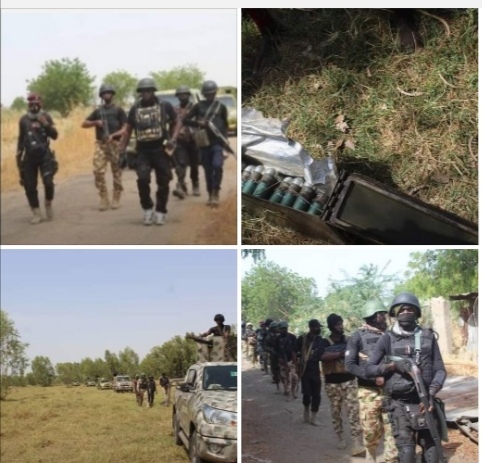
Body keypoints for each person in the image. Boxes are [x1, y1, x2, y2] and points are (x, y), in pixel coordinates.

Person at [366, 292, 447, 463]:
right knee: (407, 453)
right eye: (401, 310)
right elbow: (369, 369)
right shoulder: (387, 338)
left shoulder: (428, 336)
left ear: (417, 313)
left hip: (426, 402)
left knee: (432, 453)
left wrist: (431, 393)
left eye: (410, 309)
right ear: (395, 314)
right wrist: (392, 366)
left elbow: (440, 370)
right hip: (399, 403)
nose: (405, 313)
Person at [345, 301, 398, 463]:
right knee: (370, 431)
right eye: (381, 314)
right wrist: (373, 377)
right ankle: (371, 455)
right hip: (368, 392)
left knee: (394, 431)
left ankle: (392, 459)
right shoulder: (357, 337)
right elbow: (350, 365)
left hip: (391, 392)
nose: (385, 317)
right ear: (373, 316)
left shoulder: (392, 335)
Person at [119, 77, 177, 226]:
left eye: (148, 90)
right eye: (143, 91)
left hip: (161, 151)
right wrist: (121, 151)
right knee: (142, 180)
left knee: (163, 182)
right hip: (143, 151)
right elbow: (128, 130)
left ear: (153, 91)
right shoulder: (135, 109)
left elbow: (176, 122)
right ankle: (147, 209)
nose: (146, 93)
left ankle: (160, 211)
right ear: (139, 93)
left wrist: (173, 138)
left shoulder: (165, 106)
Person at [174, 80, 229, 206]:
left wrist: (225, 141)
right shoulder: (198, 106)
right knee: (208, 170)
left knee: (217, 165)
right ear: (204, 94)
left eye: (212, 93)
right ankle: (210, 194)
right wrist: (199, 123)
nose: (210, 95)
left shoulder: (221, 107)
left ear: (215, 93)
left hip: (217, 143)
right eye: (208, 93)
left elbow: (225, 125)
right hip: (204, 143)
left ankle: (216, 191)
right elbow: (185, 120)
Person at [321, 313, 364, 455]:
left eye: (341, 323)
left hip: (349, 380)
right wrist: (341, 354)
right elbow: (321, 356)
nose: (341, 326)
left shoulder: (349, 340)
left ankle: (357, 442)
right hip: (332, 383)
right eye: (338, 324)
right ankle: (340, 437)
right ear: (332, 326)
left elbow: (356, 355)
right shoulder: (324, 342)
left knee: (353, 411)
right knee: (336, 411)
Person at [81, 83, 127, 210]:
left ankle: (116, 197)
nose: (107, 94)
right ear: (101, 95)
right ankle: (104, 197)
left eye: (109, 92)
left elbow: (125, 128)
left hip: (115, 144)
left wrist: (113, 135)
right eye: (104, 93)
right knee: (98, 172)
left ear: (112, 94)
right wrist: (95, 122)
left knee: (116, 172)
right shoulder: (98, 111)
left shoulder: (118, 110)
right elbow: (83, 124)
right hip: (101, 145)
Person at [16, 92, 59, 224]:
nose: (34, 106)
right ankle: (36, 212)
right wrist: (18, 155)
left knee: (48, 182)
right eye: (31, 103)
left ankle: (48, 204)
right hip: (29, 157)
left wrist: (45, 123)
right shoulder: (23, 119)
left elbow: (55, 135)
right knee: (29, 186)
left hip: (44, 155)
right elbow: (21, 138)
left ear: (40, 103)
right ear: (28, 104)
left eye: (36, 103)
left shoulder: (46, 116)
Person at [171, 85, 200, 199]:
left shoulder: (195, 108)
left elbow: (200, 122)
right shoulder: (175, 109)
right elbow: (172, 124)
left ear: (189, 95)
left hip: (194, 140)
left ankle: (195, 184)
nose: (182, 96)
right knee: (181, 163)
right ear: (177, 96)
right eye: (180, 94)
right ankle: (180, 185)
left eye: (185, 94)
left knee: (194, 165)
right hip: (180, 140)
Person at [295, 319, 325, 425]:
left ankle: (314, 417)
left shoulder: (320, 340)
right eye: (317, 327)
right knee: (307, 393)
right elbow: (294, 351)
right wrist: (297, 365)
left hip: (316, 370)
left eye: (319, 327)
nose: (319, 329)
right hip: (305, 371)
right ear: (311, 327)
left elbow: (323, 354)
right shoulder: (302, 339)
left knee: (316, 394)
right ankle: (306, 411)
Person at [276, 320, 298, 401]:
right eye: (282, 328)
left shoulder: (292, 337)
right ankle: (288, 391)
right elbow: (276, 350)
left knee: (294, 377)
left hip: (291, 360)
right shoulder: (278, 339)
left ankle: (292, 391)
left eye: (285, 328)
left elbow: (295, 349)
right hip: (282, 361)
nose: (284, 330)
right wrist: (280, 358)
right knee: (284, 377)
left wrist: (294, 359)